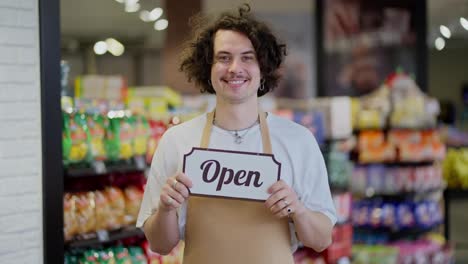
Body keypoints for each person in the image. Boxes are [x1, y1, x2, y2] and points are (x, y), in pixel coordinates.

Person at [137, 4, 336, 263]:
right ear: (207, 68)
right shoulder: (177, 140)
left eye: (247, 57)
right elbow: (160, 245)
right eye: (223, 57)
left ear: (263, 68)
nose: (234, 68)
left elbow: (321, 240)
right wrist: (165, 208)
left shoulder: (297, 141)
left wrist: (297, 210)